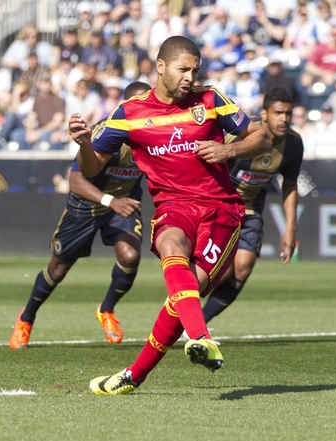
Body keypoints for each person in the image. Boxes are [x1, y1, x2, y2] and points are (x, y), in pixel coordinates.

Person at [70, 36, 271, 395]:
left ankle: (134, 375)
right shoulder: (129, 113)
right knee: (169, 243)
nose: (190, 77)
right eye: (183, 69)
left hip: (221, 210)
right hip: (173, 206)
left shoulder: (211, 100)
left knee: (183, 296)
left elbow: (262, 137)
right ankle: (201, 337)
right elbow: (91, 167)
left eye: (195, 70)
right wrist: (85, 144)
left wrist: (229, 149)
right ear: (160, 67)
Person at [9, 82, 151, 350]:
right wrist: (111, 200)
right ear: (125, 106)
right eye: (138, 104)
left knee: (130, 256)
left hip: (122, 205)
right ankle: (26, 318)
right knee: (58, 269)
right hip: (85, 206)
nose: (145, 110)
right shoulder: (108, 132)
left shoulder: (157, 132)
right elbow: (75, 180)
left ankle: (106, 310)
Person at [199, 87, 302, 324]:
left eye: (288, 113)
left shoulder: (294, 145)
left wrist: (290, 229)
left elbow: (290, 186)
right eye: (278, 113)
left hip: (251, 211)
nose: (284, 119)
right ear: (264, 114)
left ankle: (198, 324)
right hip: (220, 208)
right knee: (221, 271)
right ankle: (181, 315)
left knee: (243, 268)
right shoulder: (242, 136)